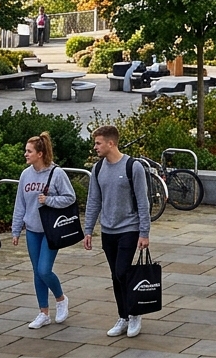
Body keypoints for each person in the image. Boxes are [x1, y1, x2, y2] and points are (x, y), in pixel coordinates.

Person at [82, 125, 153, 339]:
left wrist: (144, 232)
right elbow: (93, 200)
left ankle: (134, 313)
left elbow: (143, 201)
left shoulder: (133, 167)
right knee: (115, 275)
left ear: (110, 143)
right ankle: (123, 316)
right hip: (108, 230)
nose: (95, 147)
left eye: (98, 143)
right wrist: (88, 229)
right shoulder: (98, 169)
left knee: (122, 271)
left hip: (129, 229)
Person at [11, 132, 74, 329]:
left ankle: (61, 298)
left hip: (50, 230)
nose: (25, 154)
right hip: (32, 230)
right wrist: (15, 230)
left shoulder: (56, 173)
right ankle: (43, 313)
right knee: (36, 272)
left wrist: (49, 200)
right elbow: (20, 204)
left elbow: (70, 197)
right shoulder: (25, 174)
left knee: (44, 270)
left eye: (29, 151)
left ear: (40, 153)